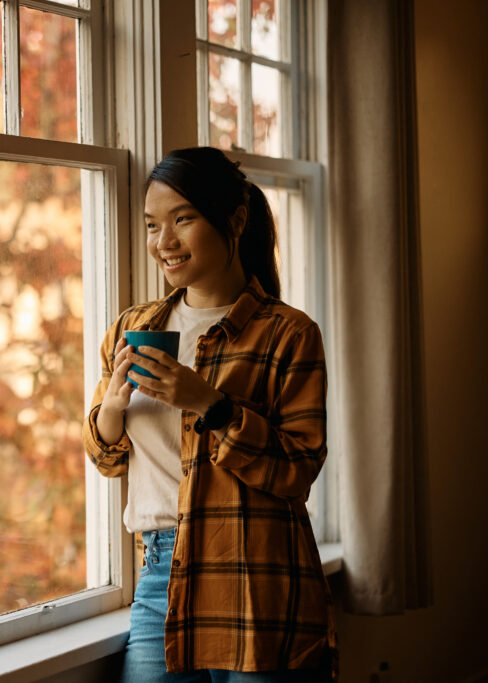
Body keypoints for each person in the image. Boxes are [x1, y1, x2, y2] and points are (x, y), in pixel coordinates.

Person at [82, 147, 335, 682]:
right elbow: (108, 457)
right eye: (153, 225)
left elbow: (298, 469)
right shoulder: (135, 325)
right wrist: (112, 407)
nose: (164, 242)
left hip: (257, 575)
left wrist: (209, 404)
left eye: (184, 219)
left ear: (235, 221)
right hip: (161, 573)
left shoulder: (288, 333)